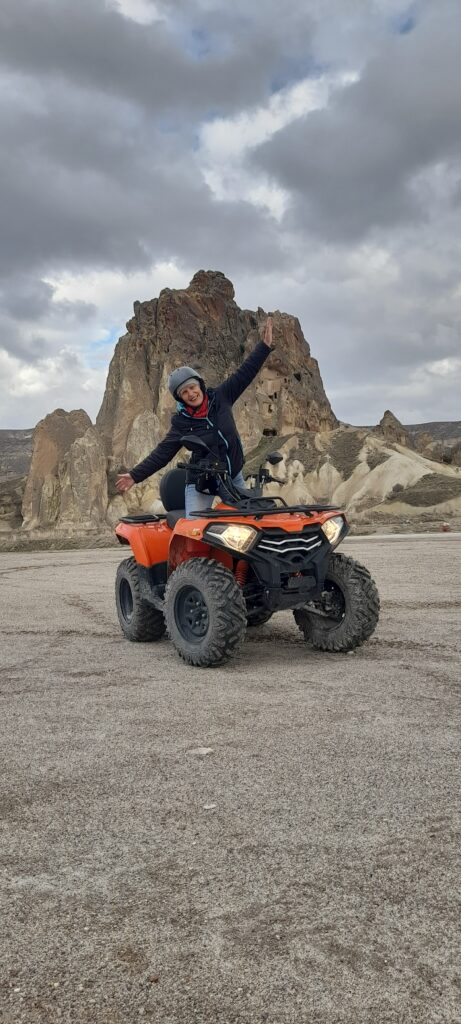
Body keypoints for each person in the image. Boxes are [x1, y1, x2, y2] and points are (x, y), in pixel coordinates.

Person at [116, 317, 274, 516]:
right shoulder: (181, 423)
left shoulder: (222, 397)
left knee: (249, 520)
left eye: (192, 387)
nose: (191, 394)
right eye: (184, 392)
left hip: (233, 475)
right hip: (202, 482)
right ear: (180, 398)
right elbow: (162, 453)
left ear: (200, 385)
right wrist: (134, 476)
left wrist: (264, 347)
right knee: (194, 527)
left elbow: (245, 373)